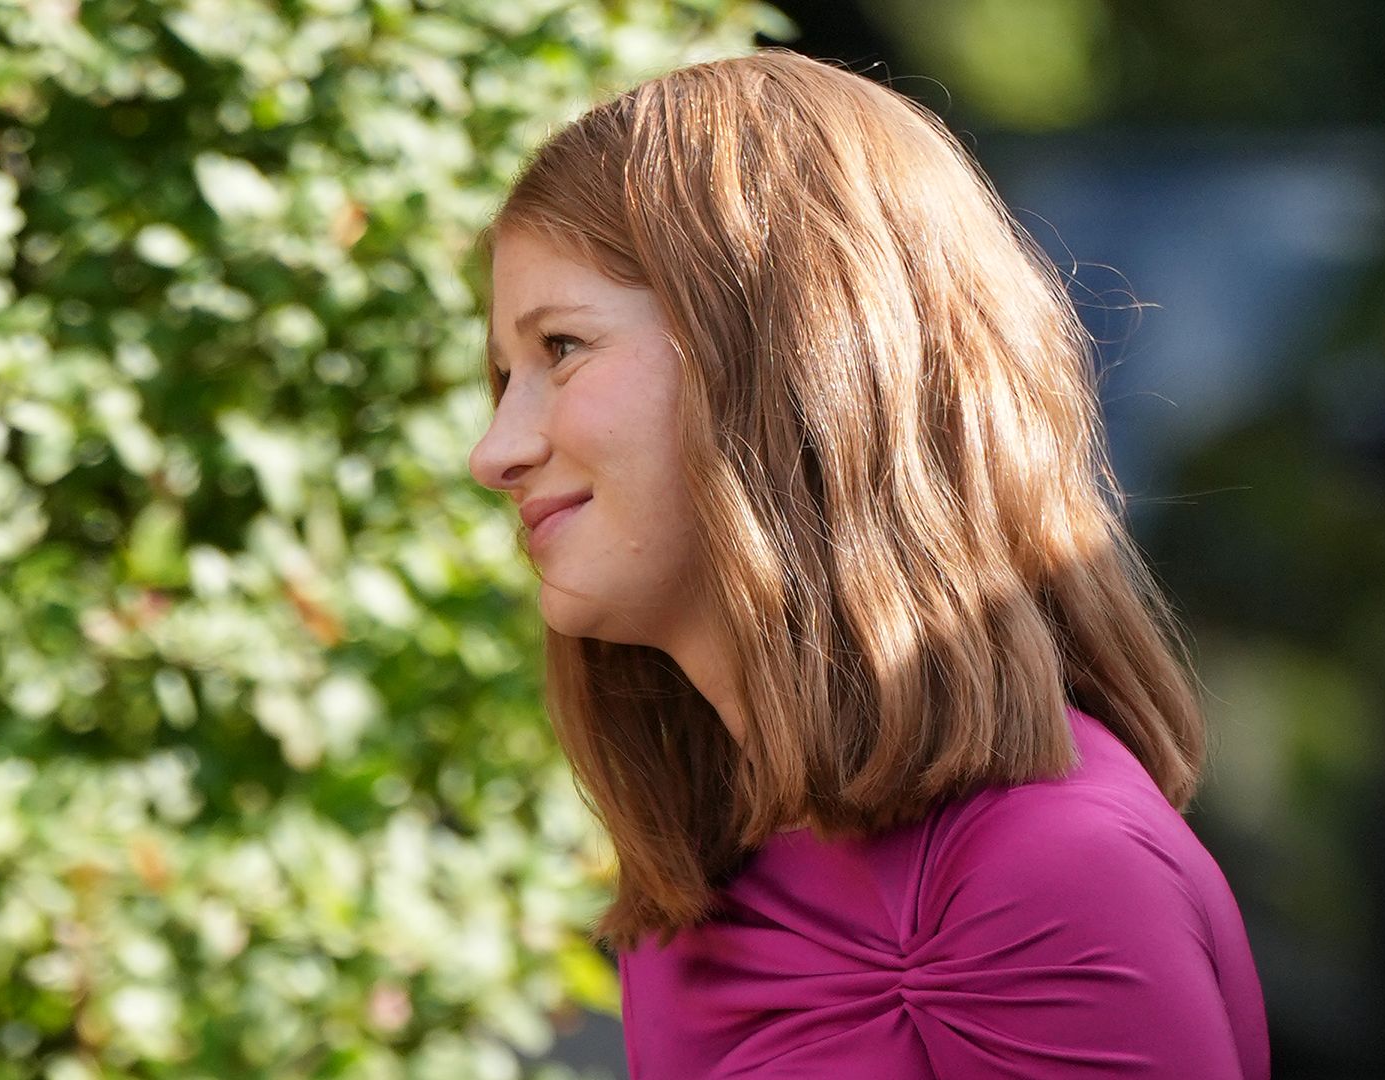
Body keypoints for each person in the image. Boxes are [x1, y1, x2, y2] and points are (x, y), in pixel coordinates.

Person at [467, 48, 1269, 1080]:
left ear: (781, 353)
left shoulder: (1058, 881)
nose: (495, 451)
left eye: (561, 349)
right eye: (502, 376)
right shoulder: (712, 884)